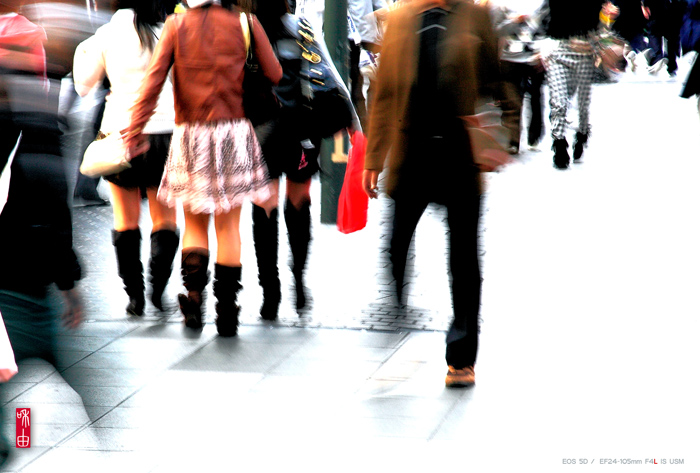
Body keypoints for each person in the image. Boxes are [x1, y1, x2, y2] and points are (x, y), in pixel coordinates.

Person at [363, 0, 501, 387]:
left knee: (464, 258)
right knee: (396, 239)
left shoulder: (475, 17)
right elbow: (385, 93)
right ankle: (396, 290)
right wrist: (374, 158)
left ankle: (461, 358)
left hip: (461, 155)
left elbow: (496, 83)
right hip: (413, 154)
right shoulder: (403, 19)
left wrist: (498, 141)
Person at [125, 0, 282, 336]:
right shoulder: (246, 23)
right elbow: (276, 73)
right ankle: (227, 314)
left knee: (195, 225)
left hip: (190, 134)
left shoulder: (175, 26)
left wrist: (135, 129)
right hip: (234, 133)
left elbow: (152, 85)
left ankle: (194, 302)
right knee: (229, 227)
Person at [0, 4, 84, 463]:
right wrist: (68, 281)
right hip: (22, 271)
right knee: (30, 367)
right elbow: (53, 198)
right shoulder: (36, 113)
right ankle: (24, 438)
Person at [73, 0, 179, 316]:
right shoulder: (169, 32)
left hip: (120, 135)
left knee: (125, 220)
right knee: (165, 221)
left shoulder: (106, 34)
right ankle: (158, 292)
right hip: (166, 135)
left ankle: (134, 297)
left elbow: (82, 86)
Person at [542, 0, 619, 169]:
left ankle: (582, 134)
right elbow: (543, 16)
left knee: (583, 104)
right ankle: (559, 144)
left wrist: (609, 18)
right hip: (558, 51)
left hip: (584, 53)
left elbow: (603, 24)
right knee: (558, 102)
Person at [486, 0, 547, 152]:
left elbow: (545, 27)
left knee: (535, 96)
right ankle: (512, 139)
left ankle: (535, 135)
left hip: (533, 57)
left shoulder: (539, 4)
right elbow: (495, 30)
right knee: (512, 99)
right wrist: (514, 21)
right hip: (509, 59)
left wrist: (542, 52)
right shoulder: (501, 5)